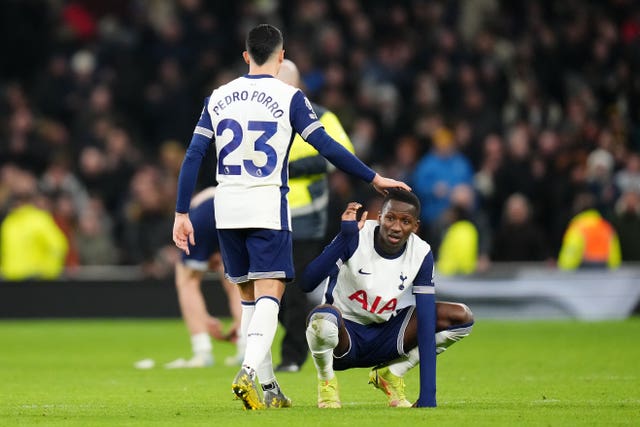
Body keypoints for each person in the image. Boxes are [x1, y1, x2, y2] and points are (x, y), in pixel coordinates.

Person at [172, 24, 409, 411]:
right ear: (281, 57)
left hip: (226, 207)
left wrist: (182, 212)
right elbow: (327, 146)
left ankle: (267, 387)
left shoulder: (218, 97)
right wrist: (373, 177)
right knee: (272, 292)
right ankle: (248, 371)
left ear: (246, 56)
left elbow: (193, 156)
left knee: (249, 298)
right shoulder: (290, 97)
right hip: (266, 205)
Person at [300, 189, 474, 408]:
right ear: (380, 216)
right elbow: (307, 283)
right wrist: (344, 238)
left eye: (405, 221)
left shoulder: (421, 252)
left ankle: (392, 373)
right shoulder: (356, 236)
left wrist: (428, 395)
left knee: (461, 317)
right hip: (342, 339)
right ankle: (327, 384)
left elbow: (427, 320)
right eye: (390, 218)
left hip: (385, 336)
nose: (396, 227)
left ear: (415, 226)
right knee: (322, 320)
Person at [274, 59, 355, 373]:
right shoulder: (264, 117)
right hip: (268, 213)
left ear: (296, 85)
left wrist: (292, 169)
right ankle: (308, 327)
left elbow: (340, 155)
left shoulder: (320, 116)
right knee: (268, 290)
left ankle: (292, 357)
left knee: (293, 288)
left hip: (306, 216)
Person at [164, 187, 245, 369]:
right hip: (237, 210)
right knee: (236, 281)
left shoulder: (195, 204)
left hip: (206, 211)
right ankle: (245, 345)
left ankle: (202, 351)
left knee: (187, 280)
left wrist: (201, 317)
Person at [0, 168, 69, 280]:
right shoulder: (8, 223)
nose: (17, 203)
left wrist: (47, 273)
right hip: (10, 282)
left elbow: (58, 247)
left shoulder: (40, 219)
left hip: (34, 283)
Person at [557, 192, 621, 270]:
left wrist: (564, 271)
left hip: (582, 275)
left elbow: (570, 255)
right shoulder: (606, 227)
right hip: (604, 274)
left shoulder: (578, 227)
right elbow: (614, 256)